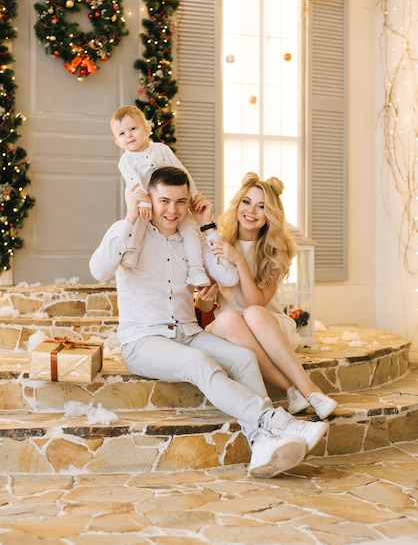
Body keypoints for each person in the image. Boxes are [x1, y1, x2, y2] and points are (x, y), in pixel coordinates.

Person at [89, 166, 329, 478]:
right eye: (164, 201)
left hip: (187, 332)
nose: (172, 211)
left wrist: (207, 225)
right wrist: (131, 215)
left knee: (243, 357)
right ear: (149, 198)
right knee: (198, 363)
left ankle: (261, 446)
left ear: (188, 202)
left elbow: (228, 275)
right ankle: (277, 423)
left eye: (180, 202)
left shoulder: (191, 236)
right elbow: (98, 269)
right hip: (144, 341)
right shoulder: (130, 233)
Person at [196, 172, 338, 420]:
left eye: (262, 207)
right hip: (230, 328)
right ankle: (291, 389)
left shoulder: (274, 249)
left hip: (265, 325)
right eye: (247, 202)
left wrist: (239, 261)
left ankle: (307, 389)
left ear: (270, 215)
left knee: (251, 314)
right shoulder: (216, 241)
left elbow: (255, 303)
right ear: (238, 203)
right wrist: (205, 299)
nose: (251, 211)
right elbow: (202, 303)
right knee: (229, 317)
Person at [110, 105, 211, 287]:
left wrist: (193, 195)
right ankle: (132, 249)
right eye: (122, 134)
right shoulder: (126, 160)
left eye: (133, 128)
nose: (129, 135)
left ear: (147, 129)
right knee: (139, 220)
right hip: (144, 200)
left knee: (189, 228)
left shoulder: (161, 150)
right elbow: (135, 183)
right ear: (118, 142)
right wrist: (145, 204)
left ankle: (196, 268)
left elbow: (182, 172)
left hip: (170, 199)